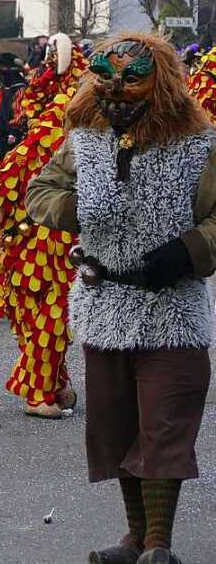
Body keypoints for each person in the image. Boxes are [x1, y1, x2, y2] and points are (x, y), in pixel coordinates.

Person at [27, 33, 216, 564]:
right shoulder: (83, 139)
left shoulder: (200, 143)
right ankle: (135, 539)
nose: (117, 89)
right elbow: (40, 192)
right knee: (118, 427)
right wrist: (81, 211)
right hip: (105, 302)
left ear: (163, 83)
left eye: (133, 77)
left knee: (164, 426)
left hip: (173, 310)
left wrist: (188, 250)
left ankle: (159, 545)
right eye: (106, 76)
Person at [0, 34, 87, 418]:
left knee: (44, 322)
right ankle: (40, 393)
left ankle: (54, 384)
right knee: (52, 321)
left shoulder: (49, 138)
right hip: (45, 248)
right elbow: (3, 188)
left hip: (38, 246)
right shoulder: (51, 139)